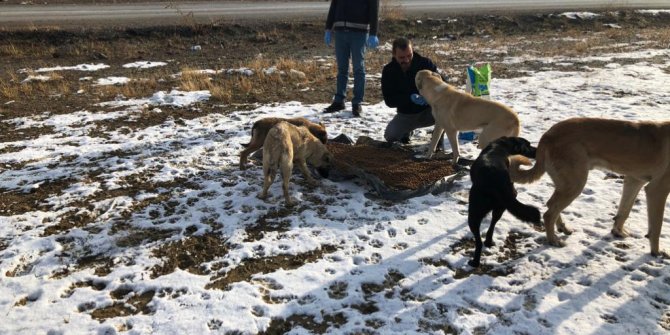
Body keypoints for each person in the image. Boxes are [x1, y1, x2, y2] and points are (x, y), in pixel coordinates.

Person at [381, 37, 444, 146]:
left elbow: (443, 85)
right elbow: (389, 101)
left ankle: (438, 136)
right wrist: (409, 98)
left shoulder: (425, 63)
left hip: (430, 111)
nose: (406, 60)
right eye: (401, 57)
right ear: (394, 55)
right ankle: (406, 132)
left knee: (446, 112)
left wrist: (429, 96)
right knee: (390, 136)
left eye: (409, 55)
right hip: (407, 115)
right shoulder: (389, 71)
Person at [323, 0, 380, 117]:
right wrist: (328, 28)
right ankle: (339, 101)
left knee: (358, 68)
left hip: (359, 33)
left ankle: (357, 102)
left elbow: (374, 10)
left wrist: (373, 33)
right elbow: (334, 6)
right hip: (340, 32)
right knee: (342, 68)